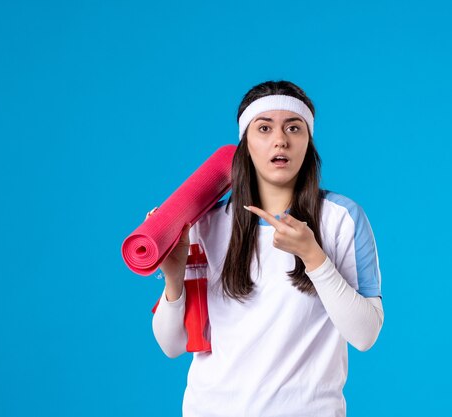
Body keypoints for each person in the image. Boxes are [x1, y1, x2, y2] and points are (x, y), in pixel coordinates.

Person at [148, 80, 384, 417]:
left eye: (293, 127)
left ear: (308, 141)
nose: (280, 140)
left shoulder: (342, 219)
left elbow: (365, 334)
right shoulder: (204, 224)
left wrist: (314, 257)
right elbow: (172, 346)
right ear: (245, 144)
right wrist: (173, 279)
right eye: (264, 127)